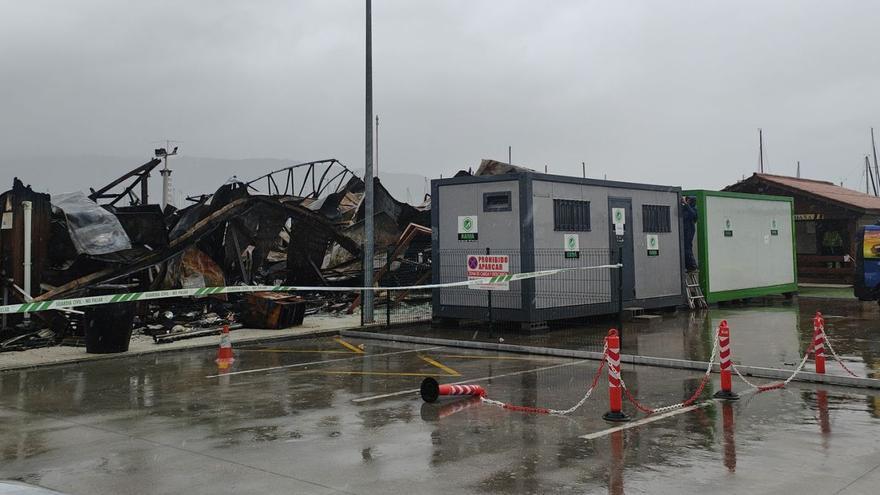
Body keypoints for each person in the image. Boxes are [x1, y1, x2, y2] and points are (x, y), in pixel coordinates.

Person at [681, 196, 698, 272]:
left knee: (687, 248)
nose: (687, 201)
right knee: (684, 248)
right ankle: (687, 265)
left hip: (689, 230)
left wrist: (686, 204)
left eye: (689, 200)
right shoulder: (686, 208)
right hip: (684, 230)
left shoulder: (694, 209)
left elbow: (693, 215)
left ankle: (692, 266)